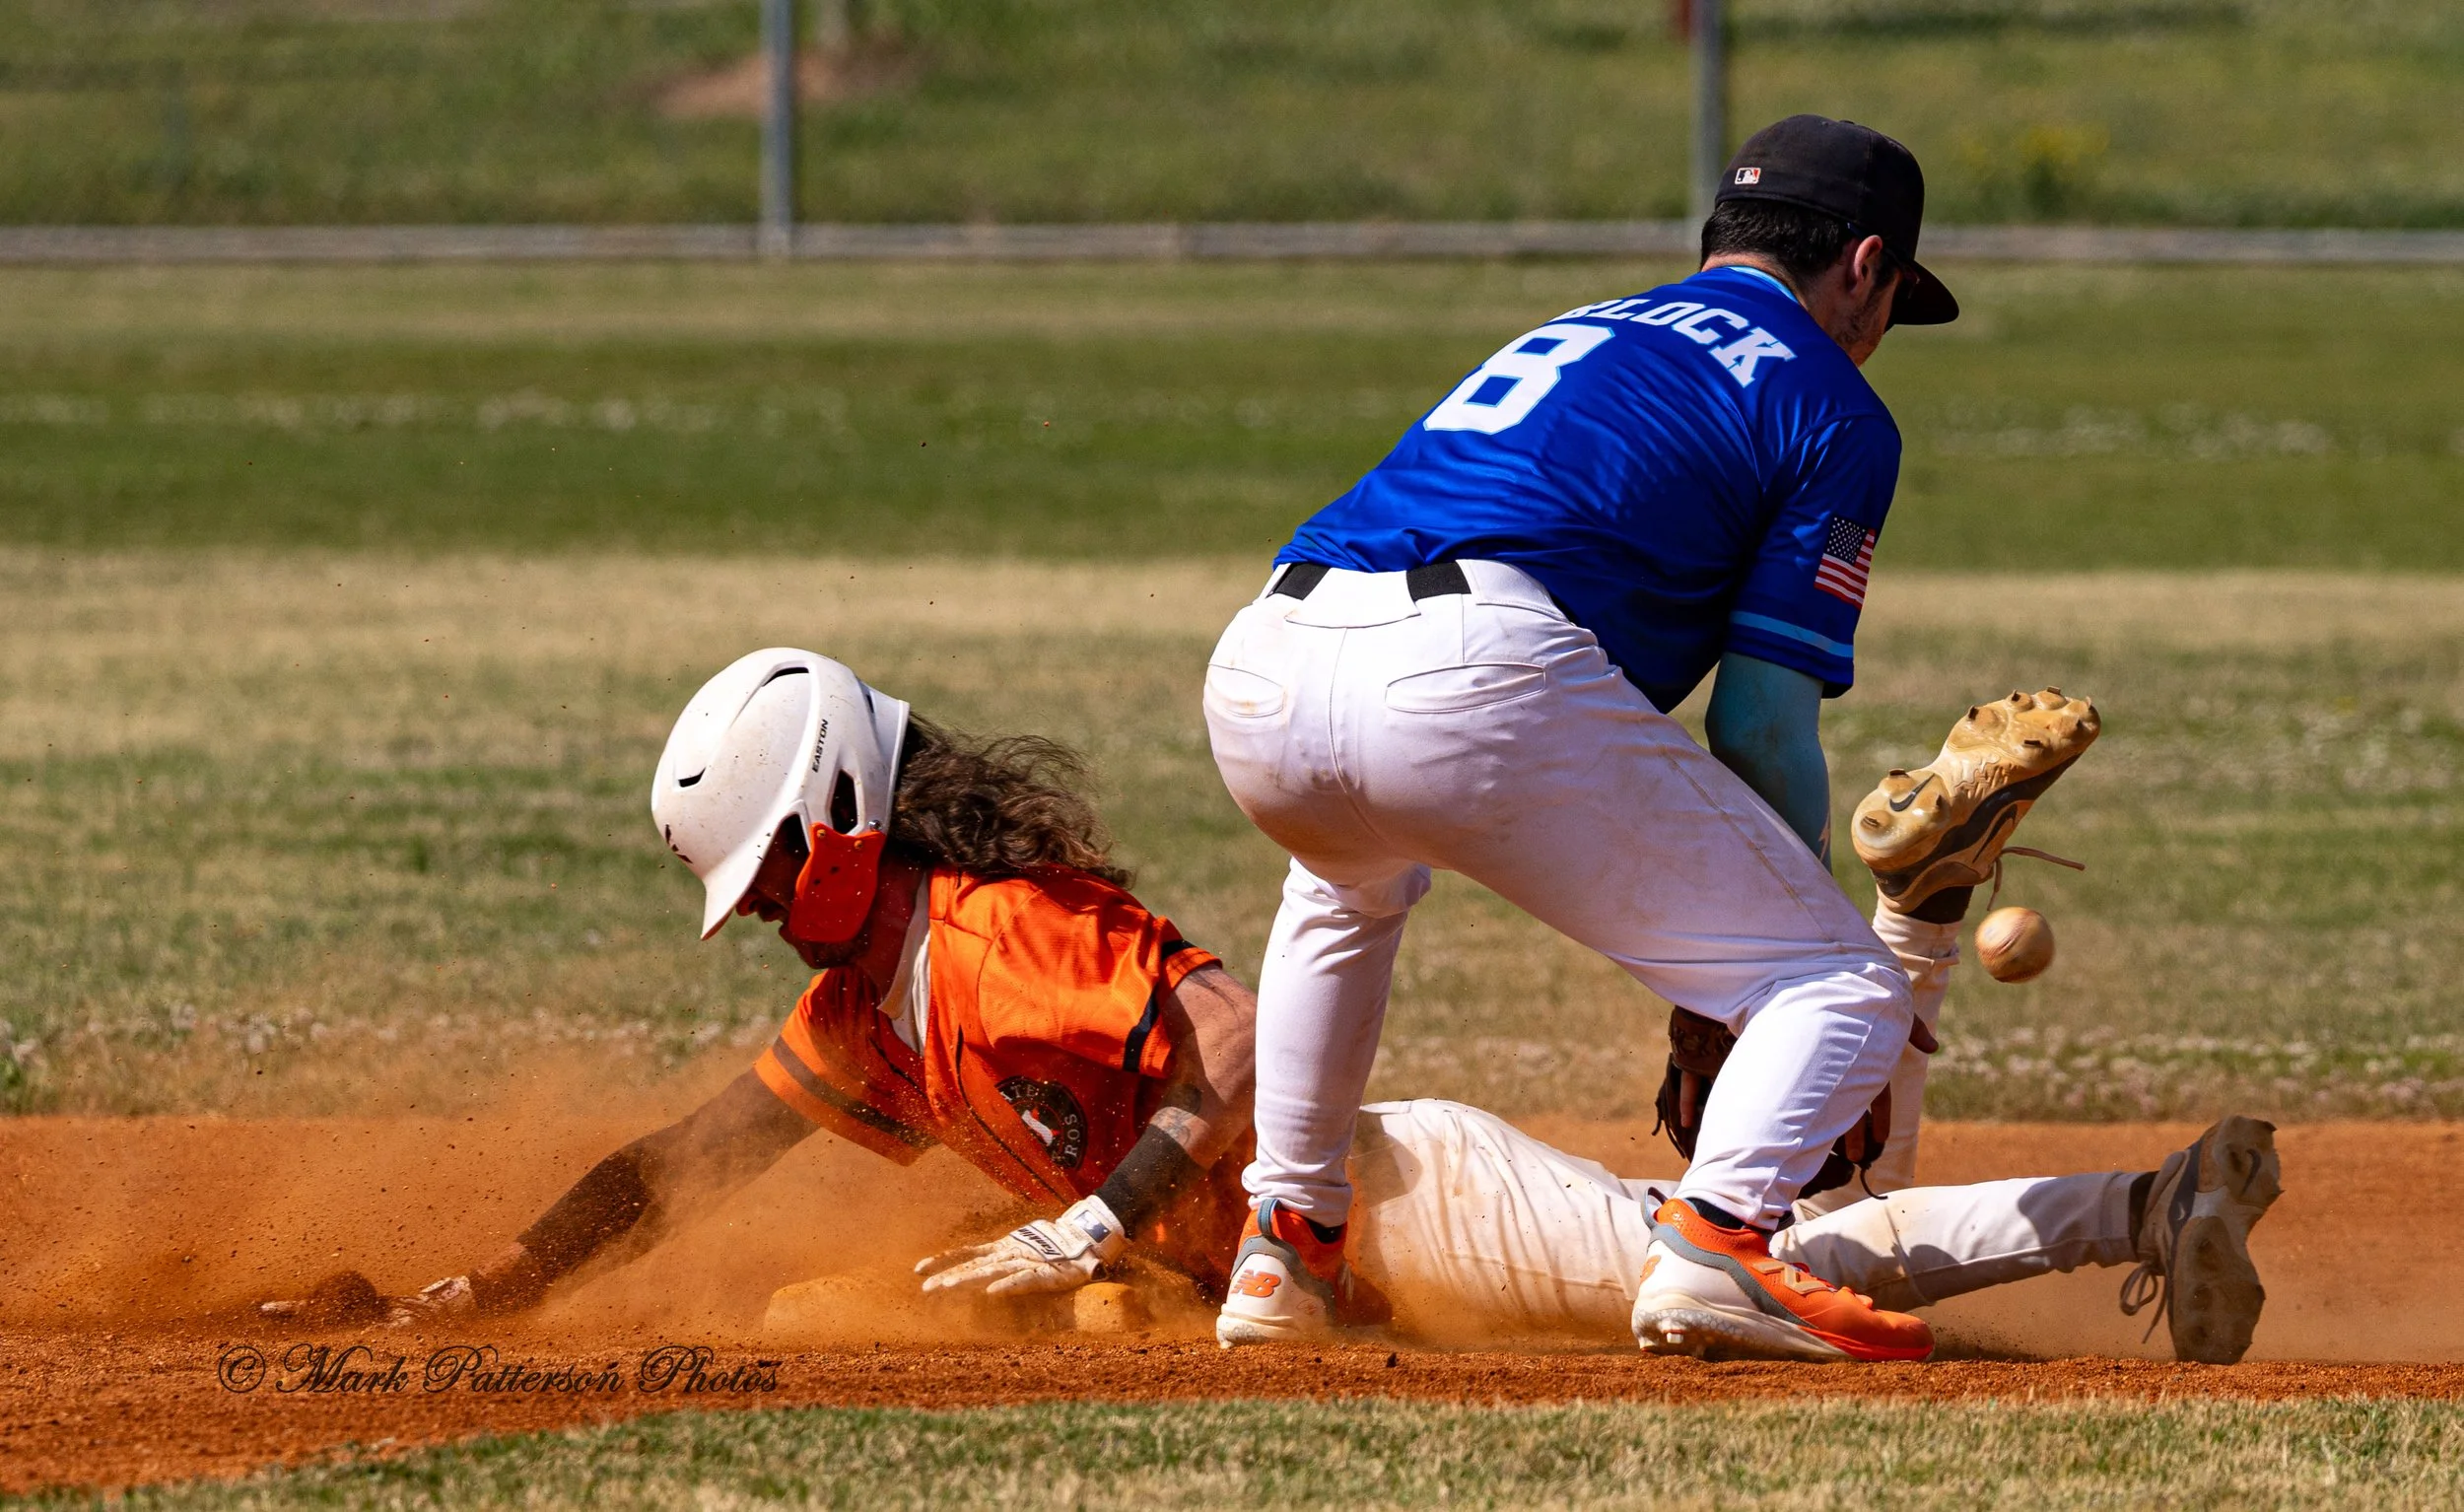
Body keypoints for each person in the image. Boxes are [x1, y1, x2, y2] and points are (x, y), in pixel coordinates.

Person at [266, 653, 2282, 1367]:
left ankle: (2138, 1201)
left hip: (1398, 1208)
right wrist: (484, 1291)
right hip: (1361, 1235)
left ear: (846, 815)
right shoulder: (876, 1002)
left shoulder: (981, 935)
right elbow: (687, 1159)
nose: (773, 918)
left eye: (778, 872)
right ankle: (1918, 925)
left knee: (1760, 1261)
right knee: (1786, 1236)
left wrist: (1102, 1209)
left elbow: (1228, 1035)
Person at [1201, 113, 1992, 1356]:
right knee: (1844, 987)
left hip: (1264, 662)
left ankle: (1284, 1245)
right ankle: (1715, 1245)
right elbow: (1760, 721)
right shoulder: (1832, 402)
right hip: (1468, 675)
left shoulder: (1588, 325)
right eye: (1894, 297)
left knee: (1345, 883)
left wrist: (1720, 975)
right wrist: (1755, 980)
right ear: (1865, 264)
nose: (1883, 332)